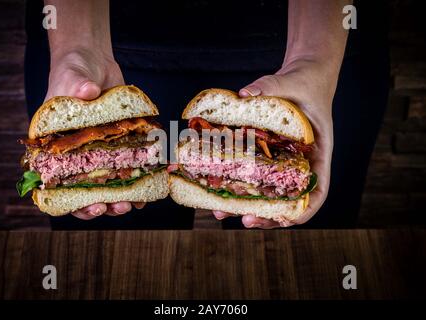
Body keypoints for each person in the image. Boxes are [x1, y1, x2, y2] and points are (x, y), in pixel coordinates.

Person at [24, 0, 389, 229]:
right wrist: (78, 46)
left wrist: (314, 59)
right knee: (111, 269)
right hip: (120, 55)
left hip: (325, 60)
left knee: (303, 267)